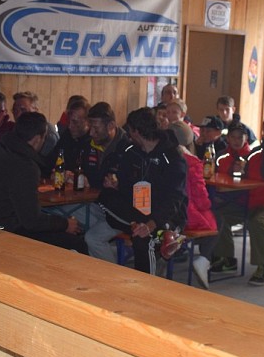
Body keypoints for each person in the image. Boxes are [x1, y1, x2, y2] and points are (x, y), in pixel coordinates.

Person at [0, 112, 88, 253]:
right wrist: (65, 224)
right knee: (77, 243)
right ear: (37, 139)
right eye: (44, 137)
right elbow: (32, 221)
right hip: (2, 231)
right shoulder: (25, 165)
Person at [97, 107, 188, 274]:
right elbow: (125, 186)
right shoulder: (131, 151)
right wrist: (115, 184)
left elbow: (174, 199)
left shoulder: (172, 156)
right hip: (138, 210)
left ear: (136, 132)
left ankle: (147, 284)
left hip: (164, 213)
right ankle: (156, 232)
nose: (129, 136)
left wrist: (151, 224)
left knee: (143, 240)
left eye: (130, 131)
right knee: (105, 197)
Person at [212, 110, 264, 286]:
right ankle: (228, 259)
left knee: (257, 222)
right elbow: (246, 175)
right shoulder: (256, 152)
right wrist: (238, 170)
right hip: (253, 199)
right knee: (219, 215)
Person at [82, 102, 132, 262]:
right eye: (90, 127)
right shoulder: (91, 144)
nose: (91, 132)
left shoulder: (127, 150)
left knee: (92, 237)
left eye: (96, 128)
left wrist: (118, 185)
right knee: (62, 213)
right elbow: (87, 173)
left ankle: (112, 273)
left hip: (122, 212)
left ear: (111, 126)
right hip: (99, 204)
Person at [169, 121, 217, 289]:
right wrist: (208, 204)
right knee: (217, 220)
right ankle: (203, 260)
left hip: (167, 212)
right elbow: (200, 197)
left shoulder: (163, 157)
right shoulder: (193, 162)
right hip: (186, 215)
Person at [208, 121, 255, 275]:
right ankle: (213, 253)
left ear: (246, 138)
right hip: (221, 197)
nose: (236, 140)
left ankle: (228, 259)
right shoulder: (221, 155)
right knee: (206, 213)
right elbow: (213, 174)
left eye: (239, 137)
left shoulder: (251, 158)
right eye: (233, 137)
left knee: (220, 218)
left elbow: (249, 185)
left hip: (242, 202)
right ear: (228, 138)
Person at [45, 97, 91, 177]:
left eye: (75, 122)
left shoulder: (95, 141)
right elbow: (51, 161)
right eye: (69, 121)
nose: (70, 126)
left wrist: (74, 176)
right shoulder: (67, 136)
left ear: (87, 122)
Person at [12, 91, 59, 156]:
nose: (18, 115)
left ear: (35, 110)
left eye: (23, 110)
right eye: (15, 110)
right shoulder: (15, 130)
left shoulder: (48, 134)